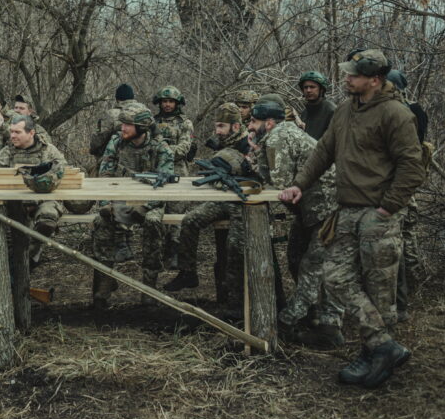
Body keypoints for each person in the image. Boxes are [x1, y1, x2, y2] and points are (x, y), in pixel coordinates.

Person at [280, 48, 423, 388]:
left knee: (379, 290)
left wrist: (388, 207)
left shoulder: (395, 114)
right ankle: (383, 346)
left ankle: (373, 357)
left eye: (353, 75)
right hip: (345, 211)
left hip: (379, 215)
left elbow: (412, 166)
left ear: (375, 80)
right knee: (335, 276)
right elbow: (323, 151)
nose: (346, 78)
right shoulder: (345, 110)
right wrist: (300, 184)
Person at [248, 100, 343, 348]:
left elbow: (279, 183)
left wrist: (256, 159)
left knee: (313, 266)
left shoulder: (279, 136)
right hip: (311, 208)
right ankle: (310, 313)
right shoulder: (279, 135)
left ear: (268, 123)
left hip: (327, 208)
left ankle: (308, 325)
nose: (250, 125)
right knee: (295, 256)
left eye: (253, 121)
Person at [90, 103, 173, 308]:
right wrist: (105, 203)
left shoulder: (160, 147)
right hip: (121, 198)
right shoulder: (116, 142)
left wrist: (146, 206)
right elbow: (105, 175)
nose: (123, 128)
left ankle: (149, 286)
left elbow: (166, 183)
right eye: (123, 124)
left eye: (128, 125)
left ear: (142, 127)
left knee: (154, 223)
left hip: (151, 201)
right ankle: (104, 283)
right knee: (101, 222)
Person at [166, 103, 253, 298]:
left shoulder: (249, 143)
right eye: (216, 126)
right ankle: (188, 272)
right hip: (222, 198)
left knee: (235, 247)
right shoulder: (224, 141)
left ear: (236, 127)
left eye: (221, 126)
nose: (217, 131)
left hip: (243, 202)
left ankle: (236, 300)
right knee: (190, 220)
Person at [386, 69, 429, 323]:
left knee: (402, 246)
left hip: (400, 189)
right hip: (385, 188)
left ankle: (404, 301)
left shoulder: (411, 112)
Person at [0, 115, 67, 240]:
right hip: (14, 201)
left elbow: (63, 173)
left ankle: (33, 249)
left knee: (47, 219)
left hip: (44, 199)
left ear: (31, 133)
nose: (12, 136)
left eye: (17, 132)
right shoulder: (7, 152)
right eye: (11, 132)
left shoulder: (49, 150)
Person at [152, 86, 195, 268]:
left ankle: (175, 254)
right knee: (157, 213)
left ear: (177, 103)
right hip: (157, 172)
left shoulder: (185, 123)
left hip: (178, 173)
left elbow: (184, 147)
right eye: (164, 101)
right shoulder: (152, 122)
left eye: (171, 101)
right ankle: (157, 254)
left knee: (177, 215)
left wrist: (163, 152)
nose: (167, 104)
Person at [89, 84, 139, 172]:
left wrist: (93, 150)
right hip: (137, 161)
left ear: (117, 99)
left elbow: (97, 141)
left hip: (111, 162)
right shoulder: (142, 113)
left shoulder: (110, 114)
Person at [298, 71, 336, 140]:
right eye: (305, 87)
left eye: (312, 87)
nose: (308, 90)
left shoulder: (331, 111)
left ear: (321, 90)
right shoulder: (305, 113)